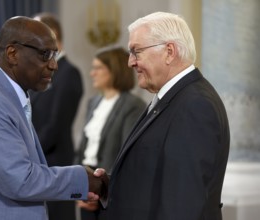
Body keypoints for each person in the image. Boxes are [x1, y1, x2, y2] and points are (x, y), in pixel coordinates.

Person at [0, 16, 105, 220]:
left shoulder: (6, 95)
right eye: (45, 54)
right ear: (12, 54)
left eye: (54, 55)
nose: (54, 65)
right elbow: (20, 179)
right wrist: (83, 179)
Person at [95, 12, 230, 220]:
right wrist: (109, 187)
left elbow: (181, 204)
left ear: (169, 51)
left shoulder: (194, 106)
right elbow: (156, 175)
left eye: (136, 51)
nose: (130, 62)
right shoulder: (175, 98)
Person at [76, 46, 146, 220]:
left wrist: (101, 191)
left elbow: (126, 155)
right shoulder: (93, 102)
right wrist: (77, 184)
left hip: (110, 190)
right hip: (86, 185)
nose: (92, 73)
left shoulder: (133, 105)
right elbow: (82, 148)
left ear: (115, 71)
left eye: (98, 68)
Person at [30, 13, 83, 220]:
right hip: (38, 164)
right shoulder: (38, 72)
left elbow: (57, 125)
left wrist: (26, 151)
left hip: (55, 164)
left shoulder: (69, 73)